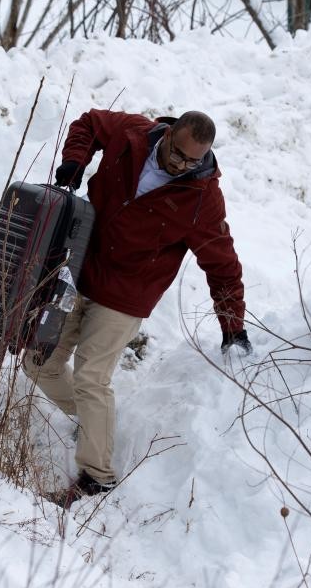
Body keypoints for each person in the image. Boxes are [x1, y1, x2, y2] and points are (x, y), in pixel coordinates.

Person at [23, 109, 251, 508]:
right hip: (79, 268)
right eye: (177, 155)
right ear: (166, 136)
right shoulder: (132, 134)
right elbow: (89, 123)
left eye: (193, 162)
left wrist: (232, 325)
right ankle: (95, 422)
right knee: (37, 362)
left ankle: (97, 477)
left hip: (128, 293)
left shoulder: (203, 200)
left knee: (92, 377)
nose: (182, 166)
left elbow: (222, 264)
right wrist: (76, 159)